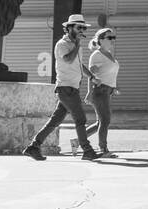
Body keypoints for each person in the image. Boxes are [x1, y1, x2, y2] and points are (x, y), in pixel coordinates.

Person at [24, 14, 100, 161]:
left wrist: (91, 76)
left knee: (55, 121)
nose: (82, 30)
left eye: (83, 27)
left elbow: (78, 64)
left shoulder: (76, 45)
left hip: (71, 88)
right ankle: (87, 150)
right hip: (66, 88)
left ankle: (33, 147)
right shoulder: (62, 44)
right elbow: (68, 59)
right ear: (69, 28)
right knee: (81, 119)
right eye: (79, 27)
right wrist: (77, 44)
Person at [85, 27, 120, 158]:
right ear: (100, 40)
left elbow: (110, 73)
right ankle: (103, 150)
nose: (112, 40)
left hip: (107, 91)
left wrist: (115, 86)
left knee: (101, 122)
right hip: (99, 91)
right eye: (109, 38)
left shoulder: (109, 54)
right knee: (105, 120)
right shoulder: (97, 55)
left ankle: (78, 141)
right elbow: (91, 75)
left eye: (113, 37)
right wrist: (89, 92)